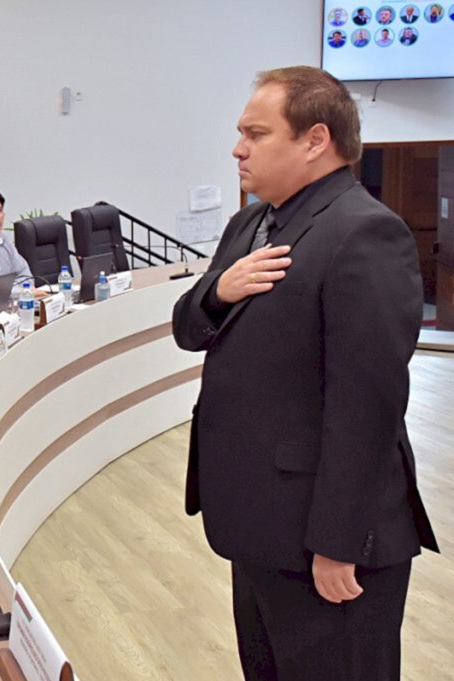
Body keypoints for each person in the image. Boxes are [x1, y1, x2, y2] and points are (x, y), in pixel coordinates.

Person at [172, 66, 438, 681]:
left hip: (325, 540)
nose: (238, 148)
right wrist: (218, 291)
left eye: (256, 133)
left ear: (315, 140)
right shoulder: (251, 224)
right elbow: (189, 327)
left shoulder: (365, 232)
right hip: (262, 523)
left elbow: (366, 406)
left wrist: (338, 543)